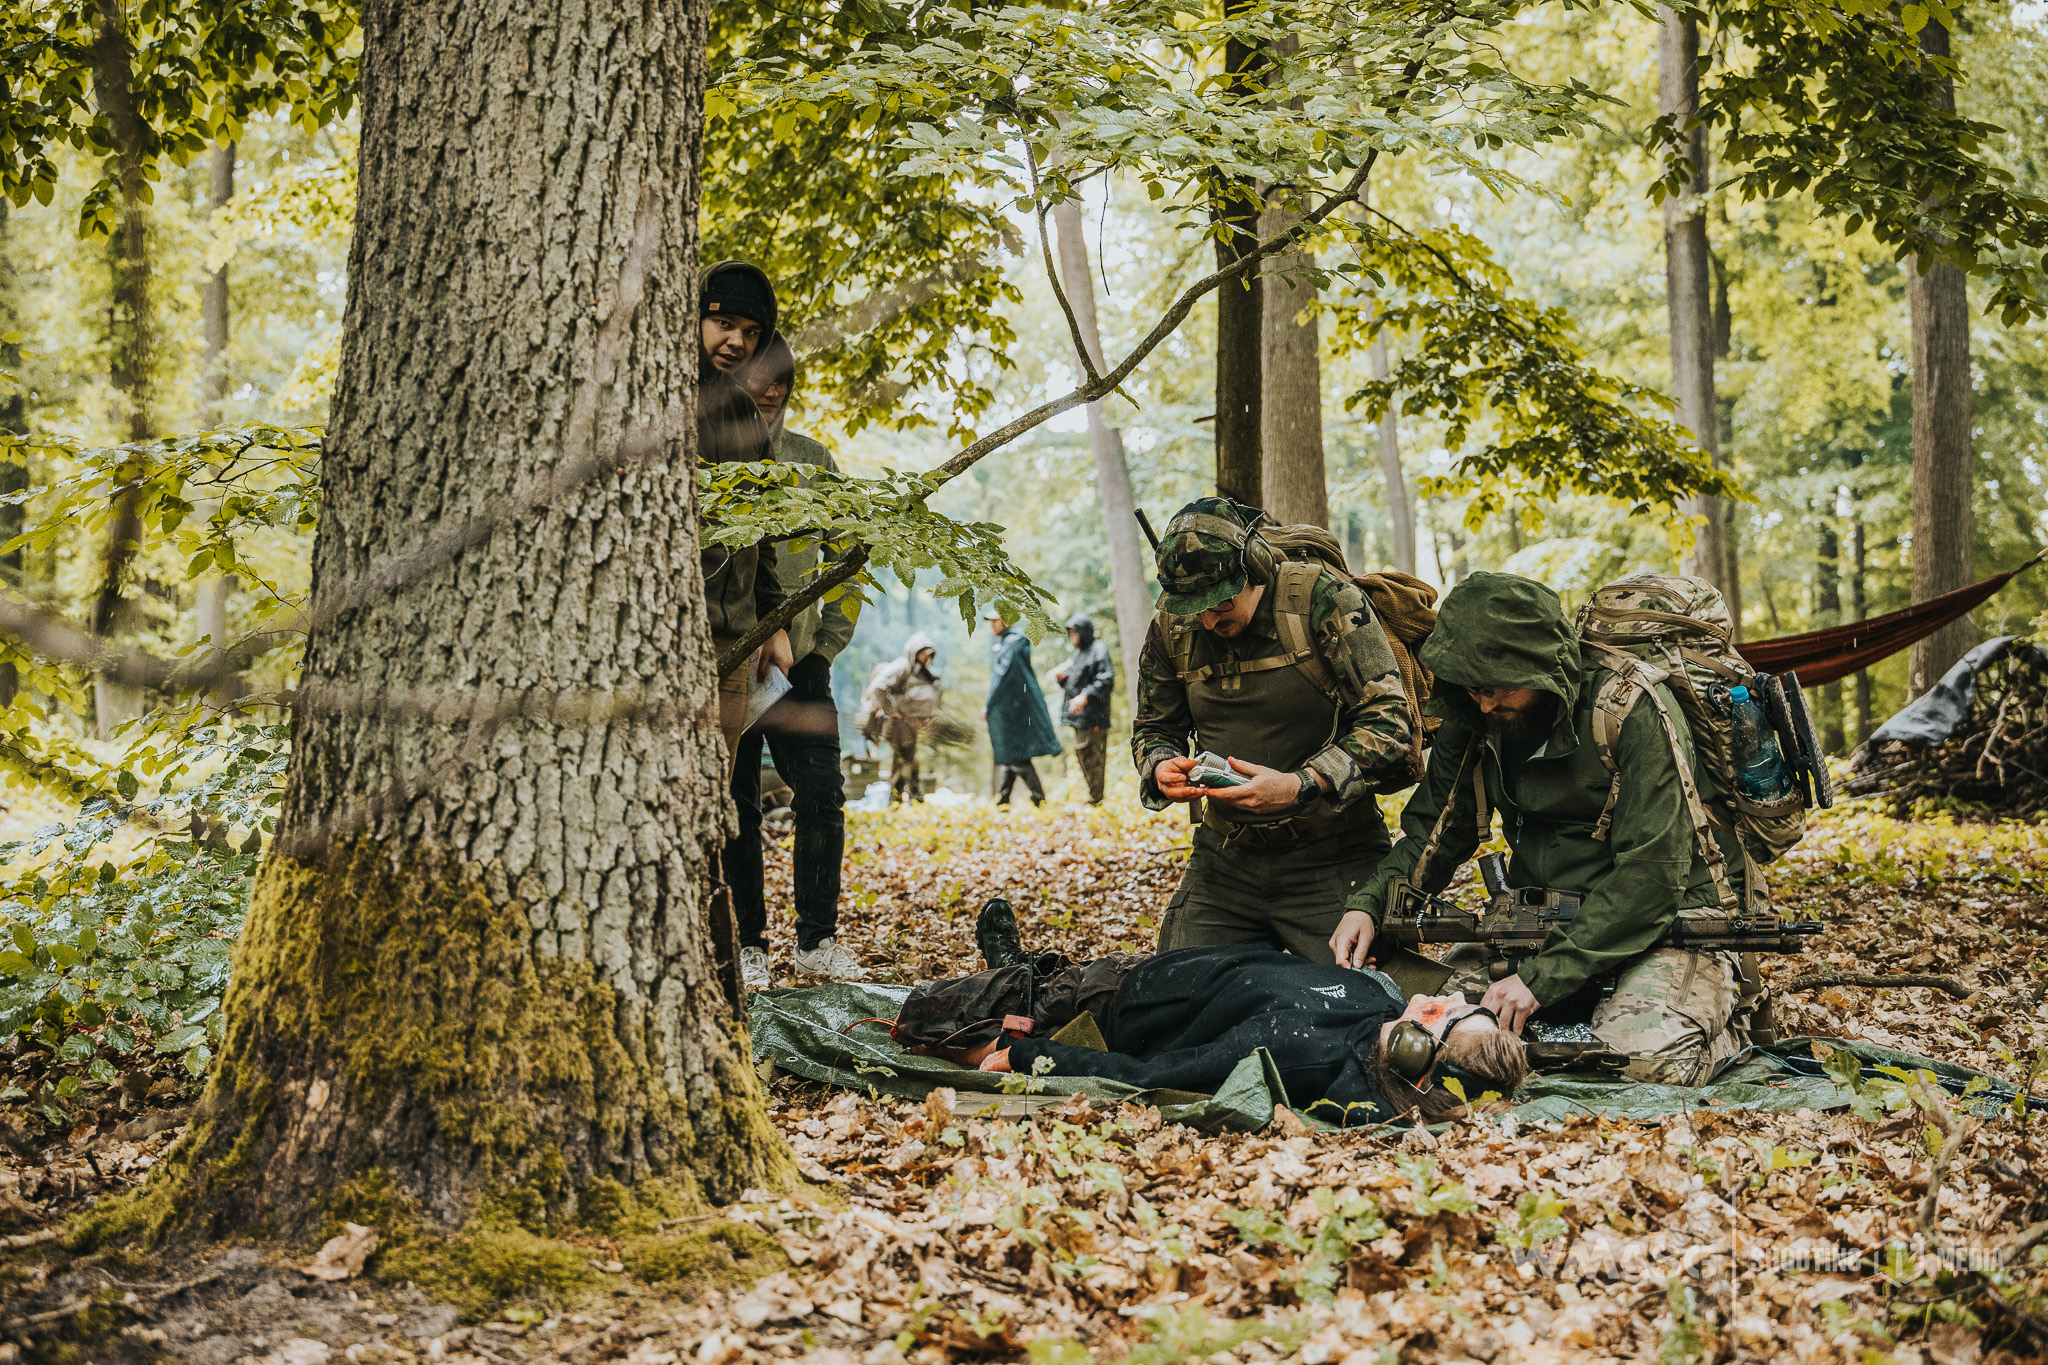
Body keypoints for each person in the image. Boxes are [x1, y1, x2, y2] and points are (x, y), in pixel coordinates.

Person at [1333, 572, 1754, 1086]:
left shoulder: (1631, 709)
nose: (1484, 704)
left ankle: (1730, 1025)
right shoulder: (1475, 714)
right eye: (1472, 688)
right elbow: (1437, 831)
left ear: (1542, 670)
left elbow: (1652, 876)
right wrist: (1369, 904)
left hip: (1671, 917)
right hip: (1543, 917)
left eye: (1496, 688)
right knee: (1435, 1036)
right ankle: (1573, 1016)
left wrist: (1538, 981)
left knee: (1645, 1064)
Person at [892, 901, 1528, 1126]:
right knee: (1032, 976)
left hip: (1099, 1004)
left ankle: (1019, 983)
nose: (1453, 997)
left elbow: (1148, 1077)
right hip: (1135, 971)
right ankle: (1022, 968)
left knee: (919, 1020)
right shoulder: (1385, 1000)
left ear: (1417, 1049)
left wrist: (1030, 1054)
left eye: (1452, 1013)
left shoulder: (1300, 1055)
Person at [1132, 498, 1416, 961]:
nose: (1209, 619)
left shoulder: (1323, 599)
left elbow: (1389, 721)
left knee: (1369, 1009)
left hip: (1333, 855)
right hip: (1224, 862)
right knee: (1173, 998)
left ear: (1254, 569)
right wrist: (1161, 765)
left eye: (1220, 602)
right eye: (1195, 607)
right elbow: (1153, 726)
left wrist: (1301, 784)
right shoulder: (1173, 626)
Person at [722, 336, 860, 988]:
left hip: (801, 663)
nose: (771, 385)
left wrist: (827, 643)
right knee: (736, 800)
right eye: (758, 374)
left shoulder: (812, 459)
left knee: (823, 796)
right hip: (730, 662)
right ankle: (748, 944)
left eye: (782, 376)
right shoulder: (710, 453)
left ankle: (817, 941)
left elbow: (849, 554)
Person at [697, 260, 792, 765]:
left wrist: (773, 624)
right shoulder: (655, 394)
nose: (738, 341)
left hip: (736, 636)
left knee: (716, 786)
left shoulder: (744, 412)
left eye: (752, 332)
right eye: (724, 324)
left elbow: (767, 523)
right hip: (673, 626)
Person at [983, 609, 1060, 805]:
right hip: (1013, 708)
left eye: (995, 621)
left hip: (1014, 710)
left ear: (1007, 621)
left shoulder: (1013, 644)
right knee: (1011, 753)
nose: (992, 625)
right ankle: (1003, 800)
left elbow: (1002, 676)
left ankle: (1039, 798)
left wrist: (988, 704)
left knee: (1016, 755)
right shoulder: (1009, 642)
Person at [860, 633, 943, 804]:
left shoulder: (923, 672)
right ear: (914, 652)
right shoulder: (901, 667)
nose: (926, 657)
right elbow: (878, 687)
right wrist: (892, 710)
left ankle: (897, 798)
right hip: (897, 723)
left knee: (903, 759)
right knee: (908, 758)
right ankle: (913, 797)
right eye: (923, 653)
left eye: (929, 654)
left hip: (911, 724)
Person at [1053, 613, 1115, 804]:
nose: (1072, 635)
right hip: (1080, 717)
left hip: (1094, 716)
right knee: (1084, 756)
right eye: (1070, 632)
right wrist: (1063, 680)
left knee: (1093, 756)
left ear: (1084, 631)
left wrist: (1086, 695)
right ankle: (1094, 797)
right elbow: (1078, 682)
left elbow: (1106, 679)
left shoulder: (1099, 650)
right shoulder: (1080, 652)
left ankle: (1097, 799)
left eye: (1075, 631)